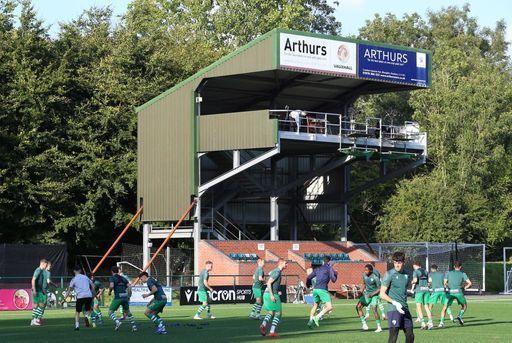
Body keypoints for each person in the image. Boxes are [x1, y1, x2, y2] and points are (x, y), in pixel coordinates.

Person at [380, 251, 414, 343]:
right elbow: (382, 294)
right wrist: (395, 302)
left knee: (410, 335)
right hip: (393, 309)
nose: (397, 265)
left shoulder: (408, 274)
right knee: (393, 336)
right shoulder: (389, 274)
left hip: (405, 308)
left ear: (404, 262)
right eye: (395, 262)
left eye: (399, 262)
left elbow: (403, 289)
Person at [306, 256, 337, 328]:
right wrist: (336, 274)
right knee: (329, 307)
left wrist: (308, 285)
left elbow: (308, 277)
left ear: (323, 261)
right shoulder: (329, 268)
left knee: (315, 305)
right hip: (322, 289)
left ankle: (310, 321)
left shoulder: (317, 269)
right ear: (329, 262)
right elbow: (333, 280)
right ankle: (317, 317)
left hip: (315, 290)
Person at [260, 259, 288, 337]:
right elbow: (269, 282)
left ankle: (263, 324)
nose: (287, 265)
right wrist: (272, 295)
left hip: (266, 294)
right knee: (278, 313)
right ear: (281, 263)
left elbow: (268, 281)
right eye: (286, 263)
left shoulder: (274, 271)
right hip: (270, 294)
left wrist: (275, 290)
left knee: (271, 312)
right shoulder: (277, 272)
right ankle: (272, 331)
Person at [440, 261, 472, 327]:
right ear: (460, 267)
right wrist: (465, 287)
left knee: (445, 307)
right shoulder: (463, 274)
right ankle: (459, 316)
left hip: (450, 292)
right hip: (459, 292)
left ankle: (441, 323)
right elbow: (470, 283)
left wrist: (447, 287)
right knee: (464, 306)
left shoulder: (448, 273)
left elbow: (445, 283)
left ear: (454, 266)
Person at [108, 266, 138, 331]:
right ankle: (134, 326)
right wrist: (129, 295)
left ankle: (117, 322)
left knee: (110, 312)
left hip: (118, 297)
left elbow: (111, 286)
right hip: (125, 297)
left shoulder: (112, 278)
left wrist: (110, 292)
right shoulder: (123, 278)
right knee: (128, 312)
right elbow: (129, 287)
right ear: (118, 271)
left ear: (112, 271)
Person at [356, 264, 383, 332]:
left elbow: (379, 288)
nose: (365, 271)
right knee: (358, 306)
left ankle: (379, 327)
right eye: (364, 270)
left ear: (371, 270)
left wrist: (372, 294)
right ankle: (364, 325)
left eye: (367, 270)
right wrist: (360, 291)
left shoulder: (375, 277)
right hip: (367, 294)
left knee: (374, 308)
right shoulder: (364, 275)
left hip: (375, 295)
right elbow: (364, 284)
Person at [66, 266, 94, 331]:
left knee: (77, 312)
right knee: (88, 309)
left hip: (80, 297)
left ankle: (77, 326)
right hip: (88, 295)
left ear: (74, 271)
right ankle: (86, 316)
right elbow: (93, 285)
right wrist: (94, 294)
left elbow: (69, 290)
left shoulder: (74, 279)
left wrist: (64, 299)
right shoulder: (85, 277)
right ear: (80, 270)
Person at [410, 261, 433, 330]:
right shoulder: (426, 271)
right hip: (426, 290)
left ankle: (423, 323)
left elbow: (415, 280)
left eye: (413, 266)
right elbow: (430, 280)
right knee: (426, 306)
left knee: (418, 306)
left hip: (419, 291)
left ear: (415, 265)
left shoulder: (416, 271)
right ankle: (430, 322)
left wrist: (412, 282)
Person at [30, 259, 48, 326]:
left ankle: (34, 320)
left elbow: (40, 282)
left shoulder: (41, 271)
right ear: (42, 264)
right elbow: (33, 280)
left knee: (38, 305)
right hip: (37, 290)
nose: (46, 267)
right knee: (41, 305)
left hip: (40, 290)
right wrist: (34, 290)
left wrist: (43, 289)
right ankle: (35, 319)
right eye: (45, 265)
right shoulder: (38, 270)